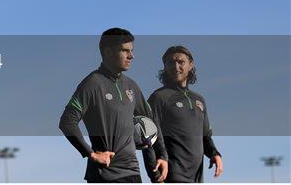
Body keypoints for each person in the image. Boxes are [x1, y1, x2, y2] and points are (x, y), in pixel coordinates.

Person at [59, 28, 168, 183]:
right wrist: (91, 153)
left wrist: (162, 156)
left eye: (132, 51)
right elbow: (67, 122)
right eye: (125, 51)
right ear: (108, 52)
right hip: (105, 176)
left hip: (133, 174)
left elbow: (151, 122)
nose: (131, 56)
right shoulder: (92, 84)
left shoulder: (132, 86)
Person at [143, 46, 223, 183]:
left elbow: (205, 136)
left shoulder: (199, 100)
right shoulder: (158, 98)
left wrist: (214, 154)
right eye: (170, 63)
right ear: (165, 67)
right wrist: (155, 176)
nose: (176, 66)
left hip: (197, 178)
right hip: (172, 176)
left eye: (181, 62)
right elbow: (148, 139)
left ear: (190, 65)